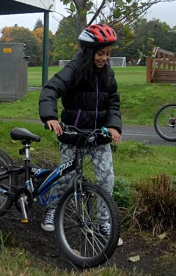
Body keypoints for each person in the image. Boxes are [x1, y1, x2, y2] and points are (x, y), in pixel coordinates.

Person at [38, 24, 123, 246]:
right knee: (65, 177)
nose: (104, 58)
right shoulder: (73, 70)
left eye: (107, 54)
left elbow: (113, 100)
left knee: (106, 178)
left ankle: (103, 221)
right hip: (72, 134)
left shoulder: (107, 74)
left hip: (98, 136)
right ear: (88, 52)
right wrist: (50, 116)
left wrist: (114, 125)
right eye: (100, 53)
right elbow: (50, 90)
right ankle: (53, 207)